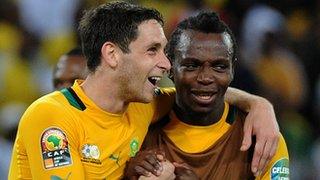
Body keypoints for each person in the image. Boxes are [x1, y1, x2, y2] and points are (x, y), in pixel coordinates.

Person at [9, 2, 279, 179]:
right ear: (112, 54)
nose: (165, 63)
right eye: (152, 50)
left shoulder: (142, 104)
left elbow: (197, 89)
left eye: (163, 51)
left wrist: (259, 106)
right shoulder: (53, 117)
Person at [125, 11, 289, 179]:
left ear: (233, 69)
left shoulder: (262, 138)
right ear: (170, 67)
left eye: (219, 67)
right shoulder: (139, 123)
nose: (205, 78)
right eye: (191, 65)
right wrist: (127, 174)